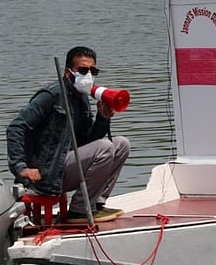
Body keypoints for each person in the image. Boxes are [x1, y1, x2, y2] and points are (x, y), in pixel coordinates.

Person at [7, 46, 130, 223]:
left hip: (65, 165)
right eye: (82, 70)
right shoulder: (51, 95)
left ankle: (96, 203)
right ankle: (79, 210)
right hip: (46, 173)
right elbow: (16, 128)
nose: (88, 74)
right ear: (68, 72)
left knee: (121, 144)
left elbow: (88, 143)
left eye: (92, 70)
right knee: (105, 146)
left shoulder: (82, 98)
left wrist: (103, 119)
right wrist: (21, 167)